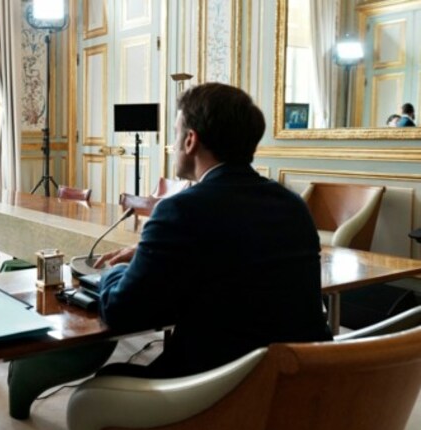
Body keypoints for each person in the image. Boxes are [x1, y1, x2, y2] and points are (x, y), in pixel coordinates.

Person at [93, 82, 331, 378]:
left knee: (101, 385)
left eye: (176, 133)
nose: (173, 144)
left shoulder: (180, 210)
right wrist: (147, 255)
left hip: (217, 389)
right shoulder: (293, 205)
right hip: (297, 380)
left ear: (190, 140)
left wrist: (108, 274)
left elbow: (120, 313)